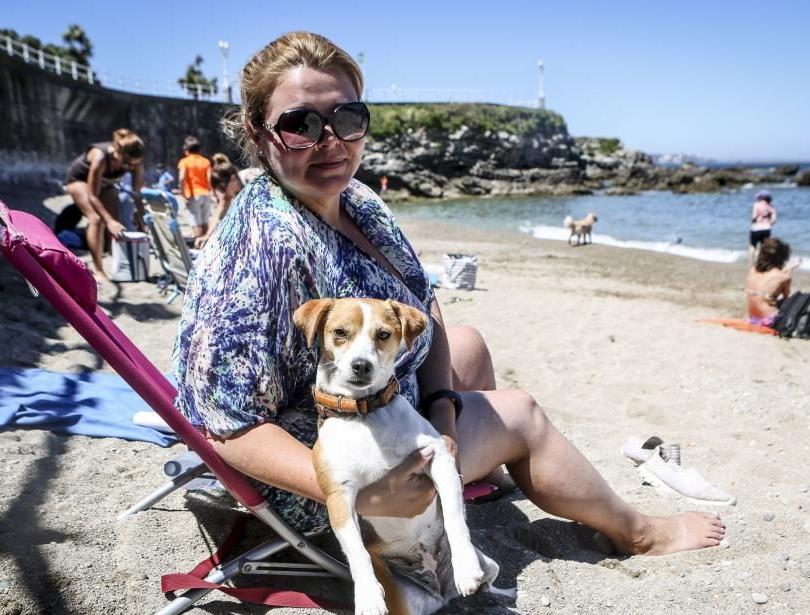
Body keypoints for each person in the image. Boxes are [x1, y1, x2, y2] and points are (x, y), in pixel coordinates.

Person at [173, 31, 724, 557]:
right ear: (256, 128)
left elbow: (422, 304)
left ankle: (479, 471)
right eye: (300, 125)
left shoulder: (353, 198)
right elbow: (226, 424)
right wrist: (363, 492)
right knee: (523, 414)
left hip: (377, 400)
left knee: (469, 344)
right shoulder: (261, 245)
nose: (331, 142)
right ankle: (640, 533)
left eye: (346, 118)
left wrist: (443, 416)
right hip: (329, 472)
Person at [64, 128, 145, 282]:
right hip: (79, 181)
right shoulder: (100, 156)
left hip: (106, 184)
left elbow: (137, 192)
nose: (130, 167)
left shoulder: (136, 160)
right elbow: (92, 195)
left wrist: (141, 217)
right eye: (127, 164)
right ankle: (99, 270)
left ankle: (112, 254)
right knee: (97, 219)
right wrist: (109, 221)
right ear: (119, 154)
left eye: (134, 165)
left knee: (117, 221)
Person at [746, 237, 800, 327]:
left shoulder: (752, 270)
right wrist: (789, 269)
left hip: (753, 318)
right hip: (770, 320)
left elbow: (771, 277)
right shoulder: (784, 277)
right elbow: (786, 298)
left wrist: (789, 268)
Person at [195, 153, 244, 249]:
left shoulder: (249, 178)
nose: (222, 194)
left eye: (222, 189)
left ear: (233, 179)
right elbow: (218, 214)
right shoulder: (229, 191)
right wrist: (207, 236)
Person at [177, 135, 213, 239]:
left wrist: (183, 194)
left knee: (196, 223)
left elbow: (181, 178)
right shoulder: (205, 161)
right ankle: (207, 244)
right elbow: (209, 179)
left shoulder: (184, 161)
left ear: (186, 150)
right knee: (205, 222)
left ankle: (198, 246)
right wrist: (211, 192)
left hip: (193, 195)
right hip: (206, 194)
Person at [749, 190, 778, 265]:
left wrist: (753, 222)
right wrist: (768, 223)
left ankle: (752, 263)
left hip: (756, 228)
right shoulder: (771, 207)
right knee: (764, 247)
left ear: (761, 198)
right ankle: (761, 262)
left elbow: (754, 216)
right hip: (766, 229)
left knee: (753, 246)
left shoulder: (757, 205)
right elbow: (774, 220)